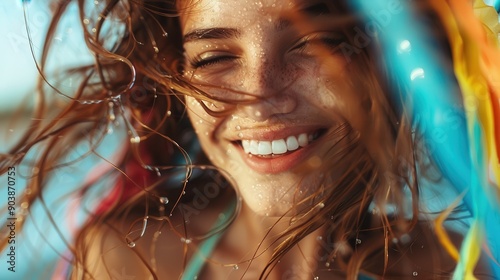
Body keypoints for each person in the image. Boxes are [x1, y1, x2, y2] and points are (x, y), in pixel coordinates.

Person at [1, 0, 499, 279]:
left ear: (380, 63)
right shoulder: (126, 260)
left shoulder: (465, 266)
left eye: (312, 43)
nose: (260, 97)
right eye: (214, 58)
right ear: (179, 86)